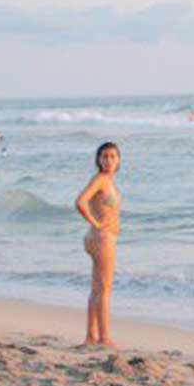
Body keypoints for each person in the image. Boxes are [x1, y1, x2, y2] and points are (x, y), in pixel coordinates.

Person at [74, 142, 121, 348]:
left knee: (96, 289)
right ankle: (104, 338)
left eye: (112, 156)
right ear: (98, 160)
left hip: (99, 237)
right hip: (102, 238)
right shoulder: (101, 180)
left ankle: (91, 336)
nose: (108, 160)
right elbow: (80, 202)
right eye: (104, 157)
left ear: (119, 160)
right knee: (104, 290)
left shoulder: (109, 181)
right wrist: (96, 223)